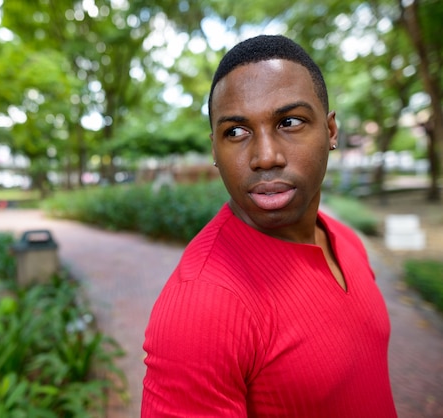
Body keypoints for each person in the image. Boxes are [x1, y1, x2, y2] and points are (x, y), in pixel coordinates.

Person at [141, 34, 397, 417]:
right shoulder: (202, 307)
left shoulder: (344, 240)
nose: (265, 157)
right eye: (236, 132)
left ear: (330, 131)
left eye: (289, 122)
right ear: (215, 149)